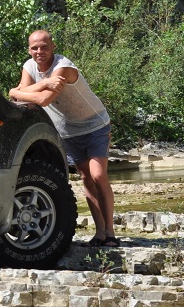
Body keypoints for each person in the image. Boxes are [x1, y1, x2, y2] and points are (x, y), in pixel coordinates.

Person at [8, 30, 118, 247]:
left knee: (97, 176)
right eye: (34, 48)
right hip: (68, 131)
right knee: (86, 179)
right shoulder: (29, 66)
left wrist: (19, 90)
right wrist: (35, 86)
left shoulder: (63, 67)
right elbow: (19, 97)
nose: (39, 51)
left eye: (44, 47)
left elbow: (43, 99)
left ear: (53, 46)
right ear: (29, 49)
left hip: (95, 125)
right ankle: (99, 234)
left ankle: (111, 232)